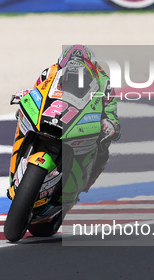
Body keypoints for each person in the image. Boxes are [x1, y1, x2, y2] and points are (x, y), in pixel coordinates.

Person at [12, 44, 120, 192]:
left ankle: (85, 182)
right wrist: (28, 95)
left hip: (84, 118)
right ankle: (16, 168)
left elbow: (110, 108)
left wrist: (110, 122)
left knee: (103, 147)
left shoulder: (103, 81)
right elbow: (39, 90)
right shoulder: (51, 71)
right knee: (21, 116)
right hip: (54, 112)